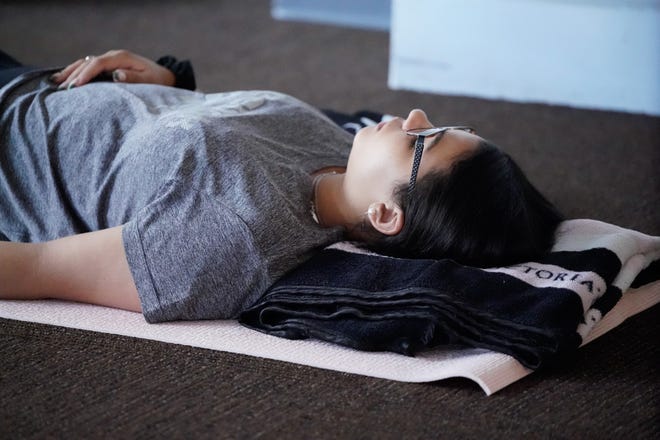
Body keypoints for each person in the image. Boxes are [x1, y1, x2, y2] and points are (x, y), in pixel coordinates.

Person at [0, 49, 563, 322]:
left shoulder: (231, 236)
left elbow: (38, 266)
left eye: (423, 142)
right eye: (439, 126)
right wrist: (171, 82)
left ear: (387, 214)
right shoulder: (338, 147)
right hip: (38, 81)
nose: (414, 115)